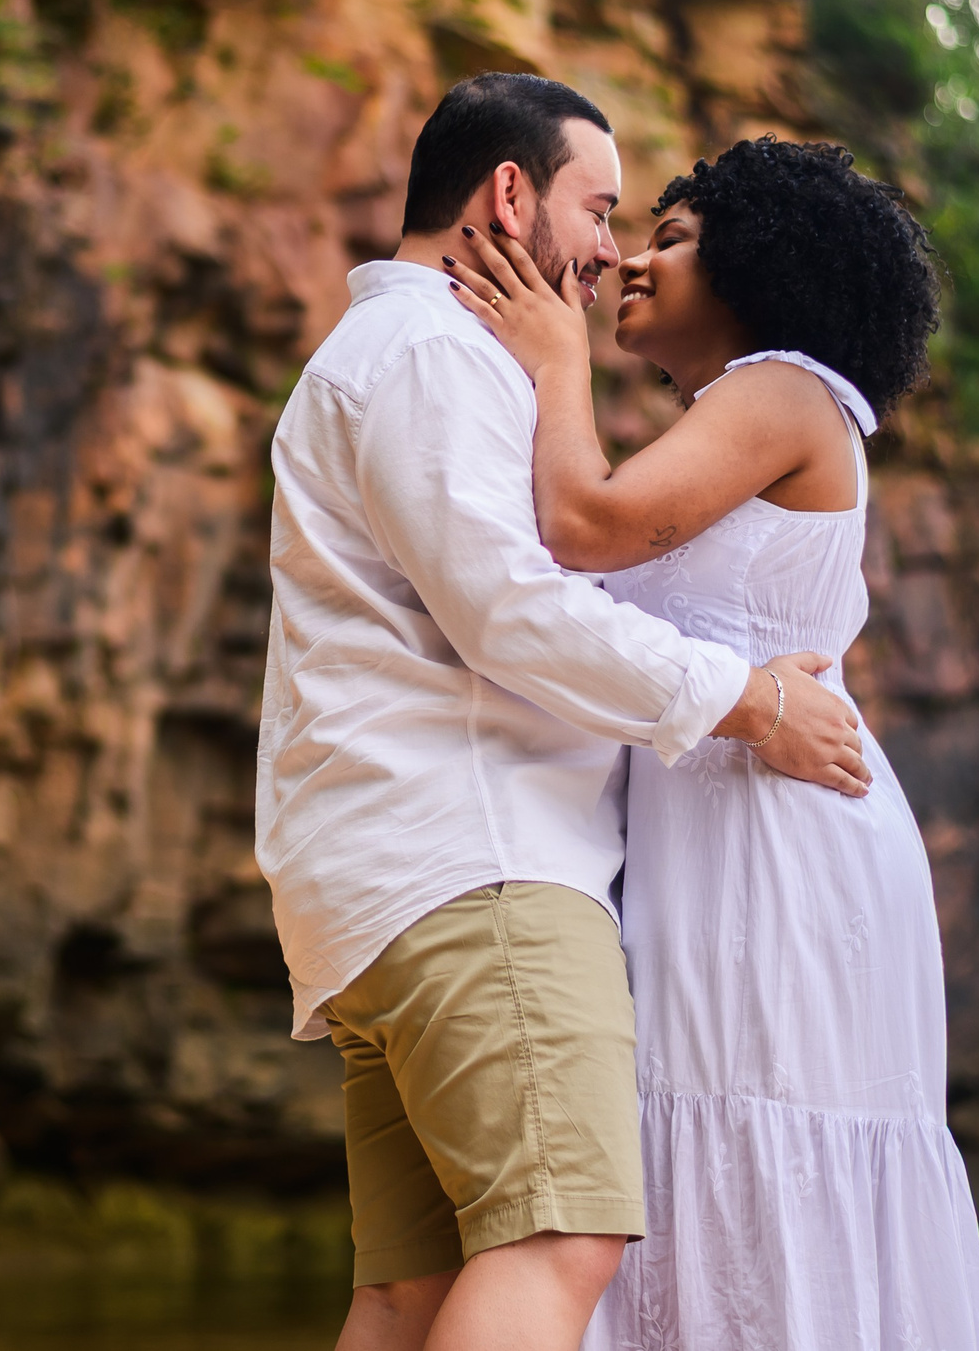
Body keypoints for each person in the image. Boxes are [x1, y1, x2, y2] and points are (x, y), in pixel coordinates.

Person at [256, 76, 870, 1351]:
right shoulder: (432, 353)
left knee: (409, 1293)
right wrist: (750, 701)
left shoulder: (396, 354)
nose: (608, 247)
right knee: (557, 1238)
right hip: (477, 863)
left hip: (385, 879)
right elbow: (510, 609)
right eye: (598, 209)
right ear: (509, 193)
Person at [448, 135, 979, 1351]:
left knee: (747, 1138)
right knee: (692, 1150)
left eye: (675, 238)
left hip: (775, 840)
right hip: (724, 824)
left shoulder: (784, 386)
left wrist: (552, 356)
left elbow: (584, 526)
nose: (634, 260)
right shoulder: (729, 416)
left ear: (761, 264)